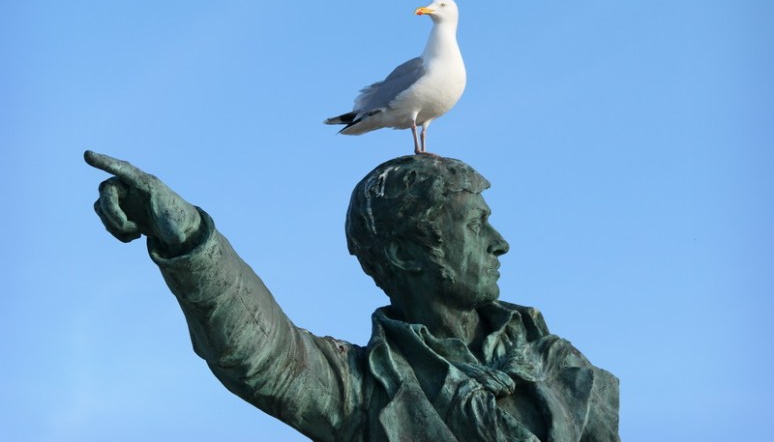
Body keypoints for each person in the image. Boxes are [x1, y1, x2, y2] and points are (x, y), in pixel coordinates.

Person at [85, 150, 620, 441]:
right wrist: (189, 240)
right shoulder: (362, 392)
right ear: (407, 253)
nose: (500, 243)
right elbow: (261, 353)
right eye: (476, 225)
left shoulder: (558, 363)